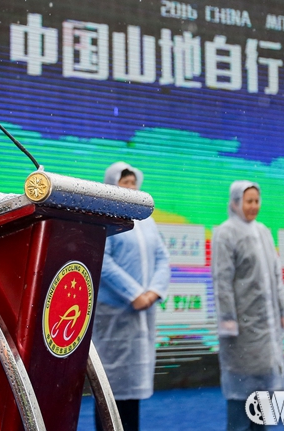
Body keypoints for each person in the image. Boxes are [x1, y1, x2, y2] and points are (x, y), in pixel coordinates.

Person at [93, 162, 170, 431]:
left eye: (132, 183)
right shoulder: (104, 217)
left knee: (133, 389)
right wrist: (134, 294)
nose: (129, 188)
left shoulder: (147, 221)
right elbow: (102, 260)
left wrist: (152, 292)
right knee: (110, 391)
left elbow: (162, 257)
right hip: (115, 314)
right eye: (124, 183)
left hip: (144, 313)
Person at [212, 181, 284, 431]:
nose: (254, 206)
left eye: (257, 201)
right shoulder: (225, 233)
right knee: (241, 395)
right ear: (235, 202)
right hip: (241, 329)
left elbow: (276, 276)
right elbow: (222, 280)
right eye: (249, 201)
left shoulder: (264, 232)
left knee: (264, 395)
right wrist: (228, 320)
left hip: (266, 330)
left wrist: (282, 313)